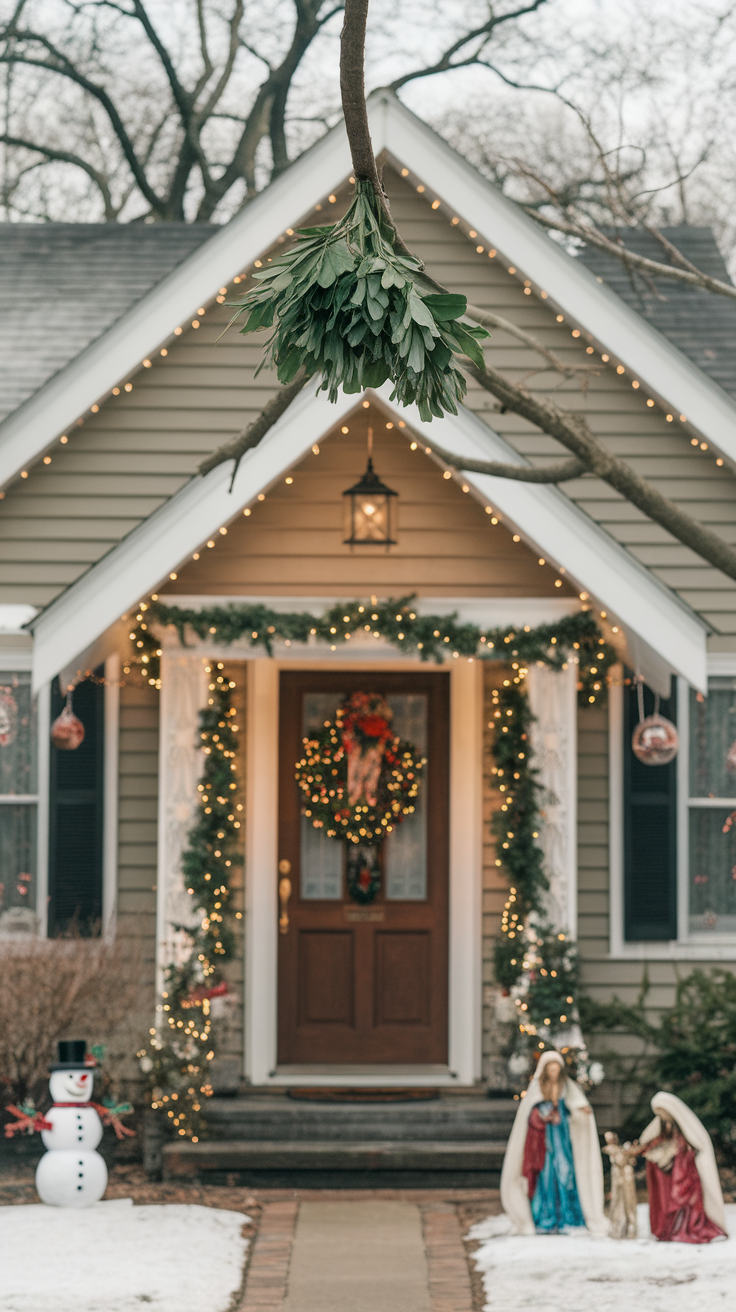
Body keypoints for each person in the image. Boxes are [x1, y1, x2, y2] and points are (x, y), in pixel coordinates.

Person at [500, 1049, 607, 1235]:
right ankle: (546, 1216)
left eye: (556, 1067)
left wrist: (578, 1112)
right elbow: (530, 1113)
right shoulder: (537, 1090)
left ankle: (568, 1216)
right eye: (550, 1067)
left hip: (562, 1138)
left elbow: (576, 1105)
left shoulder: (567, 1087)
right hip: (544, 1141)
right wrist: (543, 1116)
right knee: (547, 1174)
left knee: (565, 1172)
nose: (553, 1071)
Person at [639, 1091, 727, 1244]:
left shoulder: (684, 1127)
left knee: (685, 1202)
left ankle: (688, 1227)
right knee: (671, 1200)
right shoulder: (662, 1124)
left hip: (685, 1172)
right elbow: (648, 1139)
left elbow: (694, 1145)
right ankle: (671, 1229)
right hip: (670, 1171)